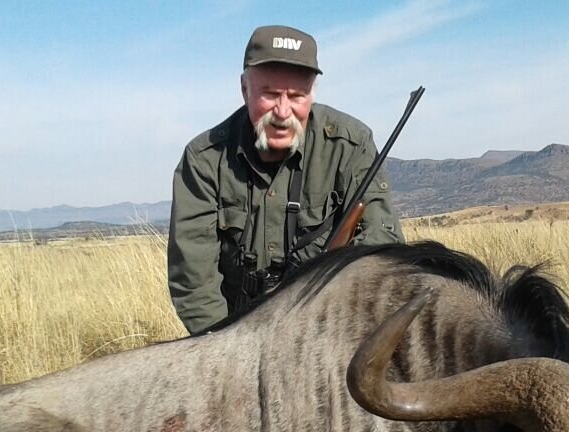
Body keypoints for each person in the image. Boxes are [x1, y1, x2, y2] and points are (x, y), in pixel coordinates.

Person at [167, 25, 403, 334]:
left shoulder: (350, 144)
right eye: (270, 94)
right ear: (244, 89)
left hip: (329, 330)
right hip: (233, 335)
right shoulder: (204, 160)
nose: (282, 111)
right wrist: (226, 350)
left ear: (312, 94)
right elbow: (193, 280)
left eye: (296, 96)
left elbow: (383, 246)